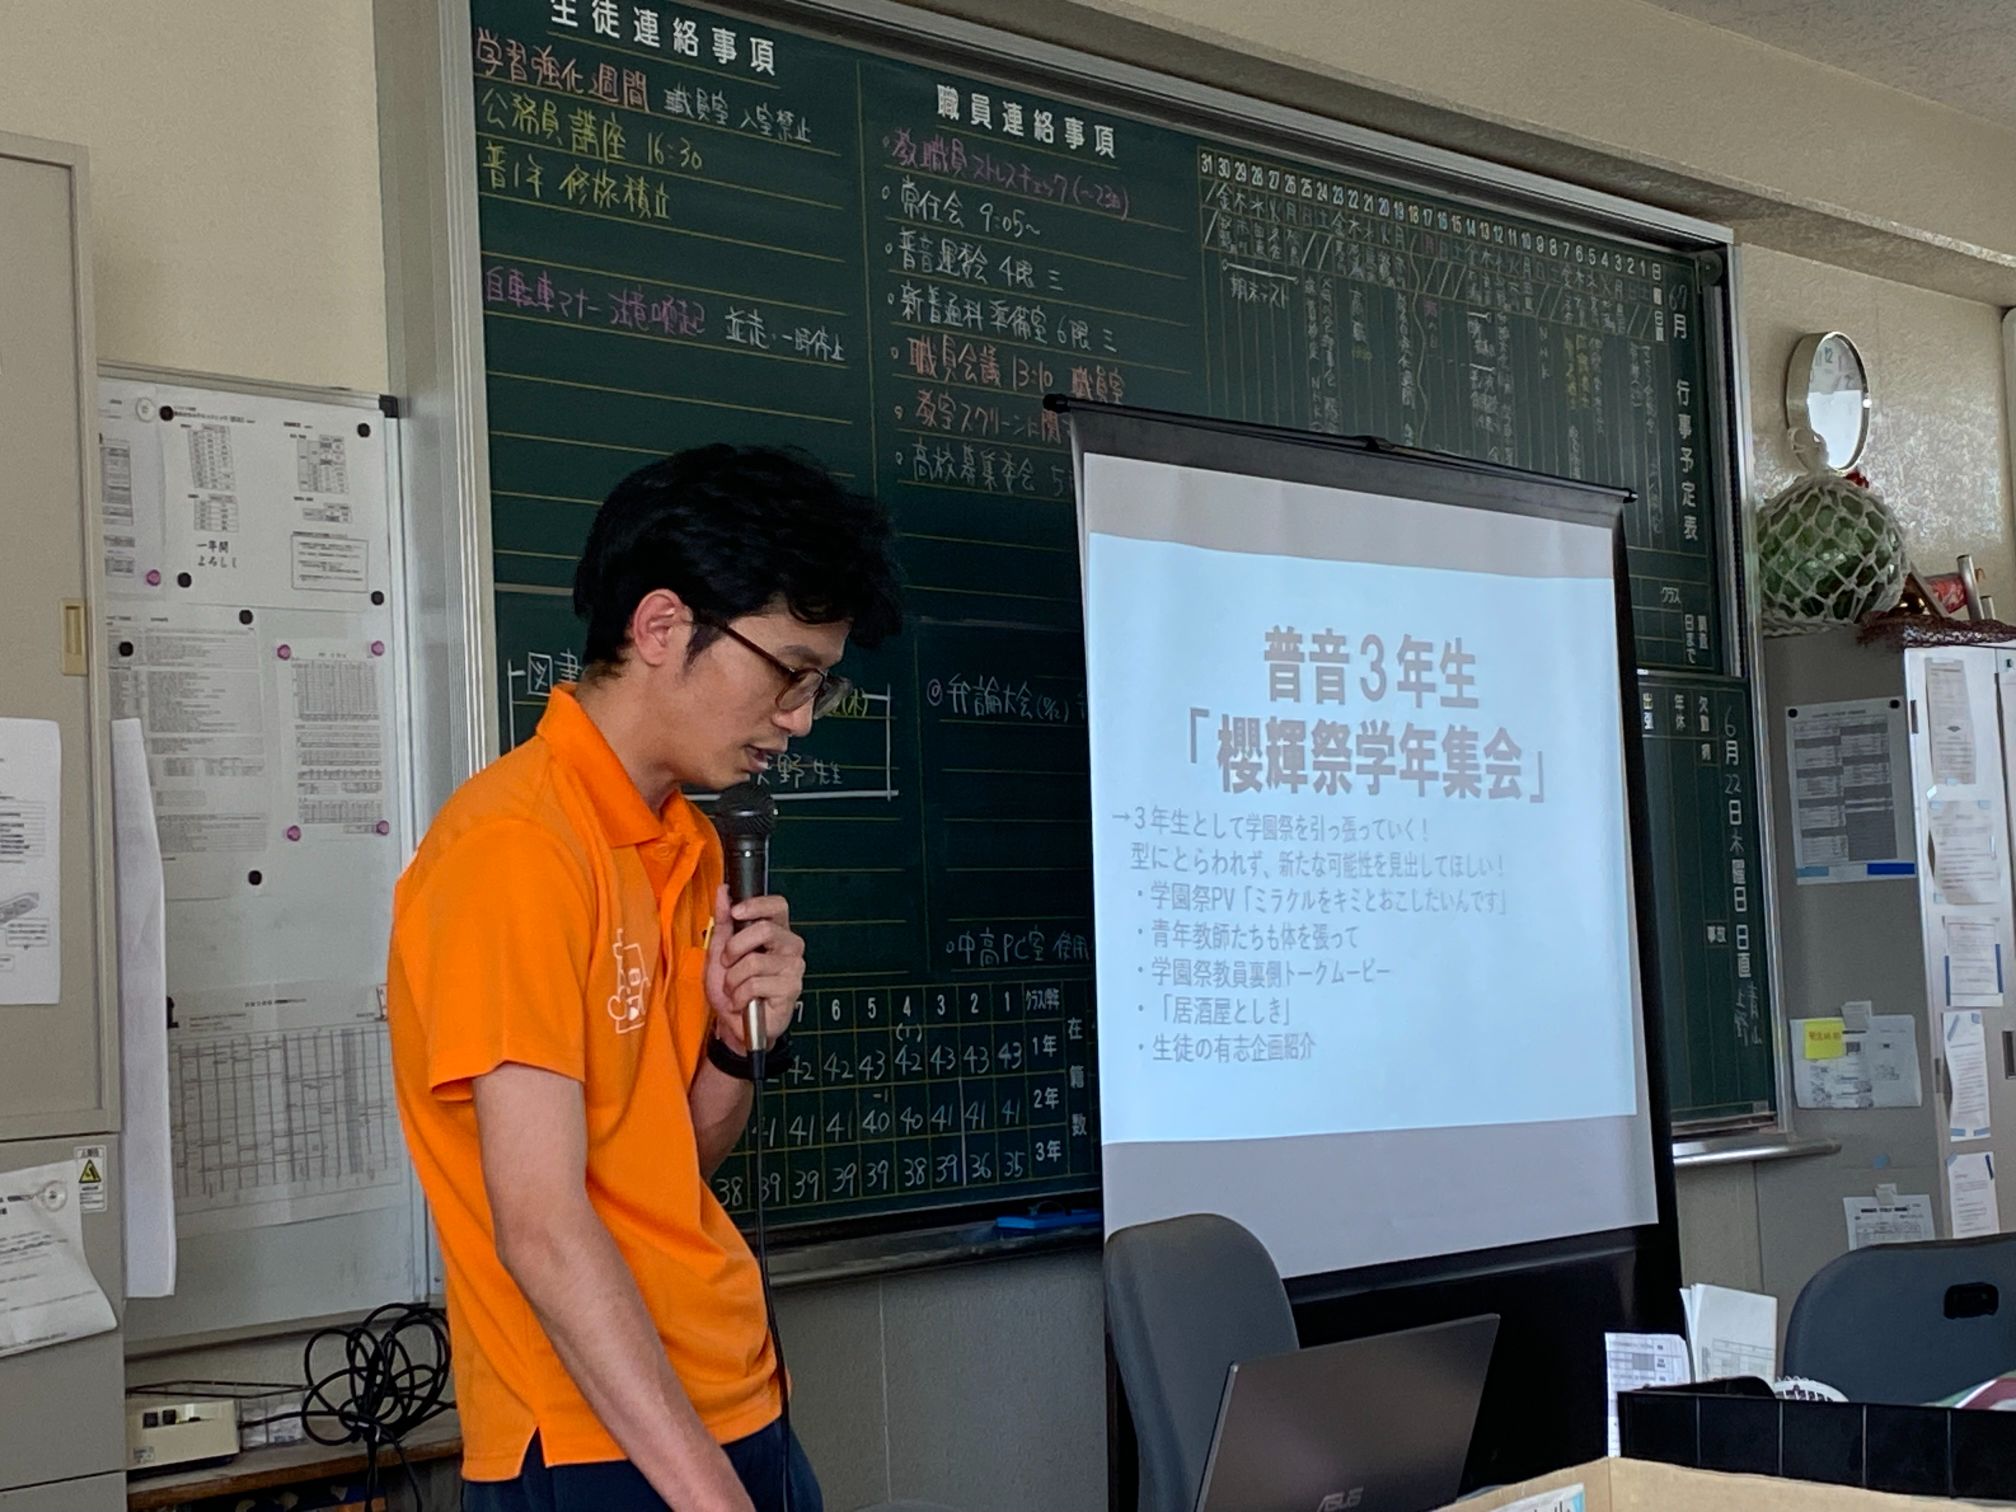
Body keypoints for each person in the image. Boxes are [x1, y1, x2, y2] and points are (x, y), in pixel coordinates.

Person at [387, 445, 903, 1512]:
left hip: (731, 1397)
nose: (801, 718)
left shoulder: (690, 845)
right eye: (789, 672)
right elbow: (541, 1225)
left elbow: (674, 1162)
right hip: (594, 1436)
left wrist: (736, 1043)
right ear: (663, 626)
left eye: (819, 683)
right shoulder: (515, 849)